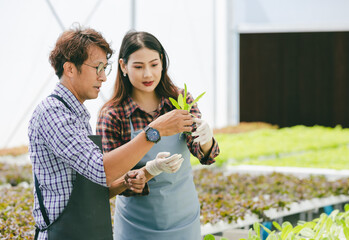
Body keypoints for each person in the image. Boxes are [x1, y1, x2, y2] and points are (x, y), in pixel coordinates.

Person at [28, 26, 193, 240]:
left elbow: (93, 188)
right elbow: (101, 170)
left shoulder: (76, 116)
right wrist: (154, 131)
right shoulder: (54, 114)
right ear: (69, 69)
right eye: (97, 68)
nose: (103, 77)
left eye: (105, 68)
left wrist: (138, 176)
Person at [96, 31, 220, 240]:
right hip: (137, 226)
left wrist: (206, 139)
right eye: (138, 66)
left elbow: (205, 155)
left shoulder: (179, 100)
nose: (148, 74)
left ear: (162, 62)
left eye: (154, 64)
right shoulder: (113, 115)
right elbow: (110, 180)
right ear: (123, 66)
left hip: (184, 219)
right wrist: (149, 170)